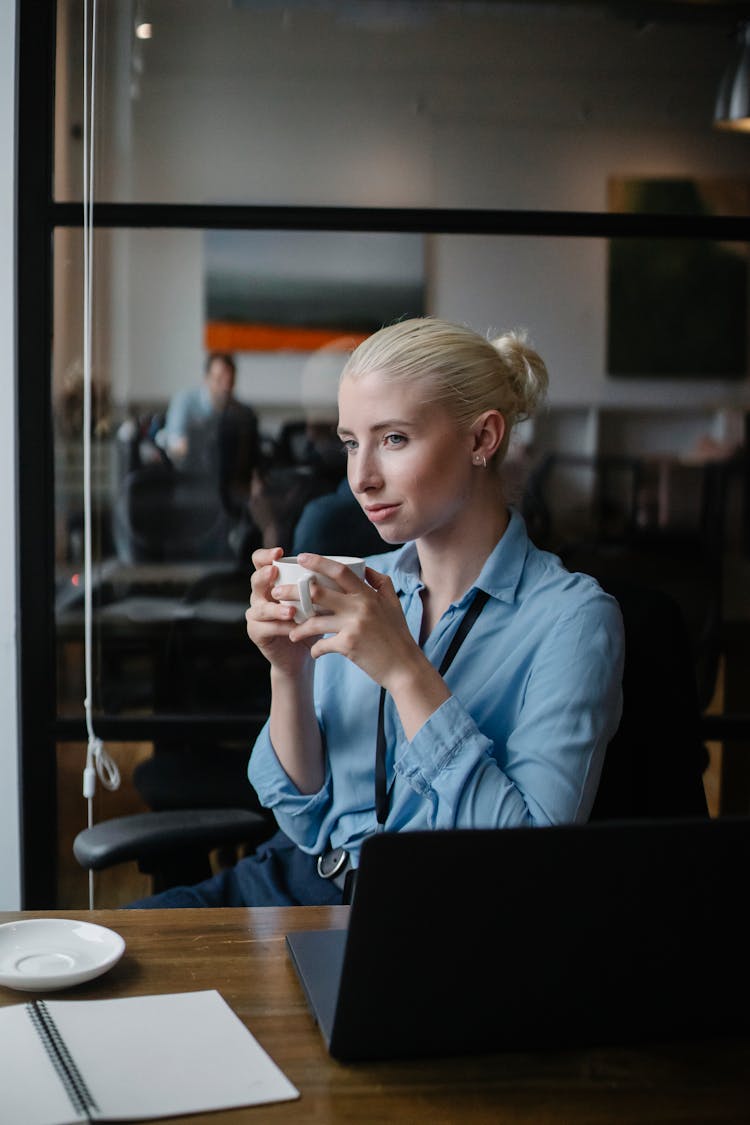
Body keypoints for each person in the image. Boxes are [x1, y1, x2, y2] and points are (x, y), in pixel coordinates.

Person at [128, 317, 624, 909]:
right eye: (349, 442)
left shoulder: (572, 621)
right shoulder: (358, 584)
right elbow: (304, 816)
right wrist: (289, 671)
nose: (361, 477)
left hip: (430, 922)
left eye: (393, 439)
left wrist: (404, 670)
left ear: (481, 439)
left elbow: (529, 861)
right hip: (294, 886)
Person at [160, 352, 261, 514]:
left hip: (231, 486)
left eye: (230, 380)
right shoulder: (185, 404)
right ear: (207, 378)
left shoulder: (243, 413)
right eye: (219, 379)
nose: (226, 386)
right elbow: (175, 448)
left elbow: (252, 460)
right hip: (193, 482)